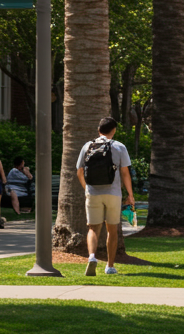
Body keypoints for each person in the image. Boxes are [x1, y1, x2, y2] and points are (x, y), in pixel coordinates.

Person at [74, 116, 134, 276]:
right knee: (112, 230)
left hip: (93, 192)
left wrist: (87, 188)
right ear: (113, 131)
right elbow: (125, 173)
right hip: (113, 193)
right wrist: (130, 195)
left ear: (99, 130)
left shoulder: (87, 146)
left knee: (93, 228)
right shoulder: (119, 147)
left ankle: (92, 257)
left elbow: (79, 171)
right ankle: (110, 266)